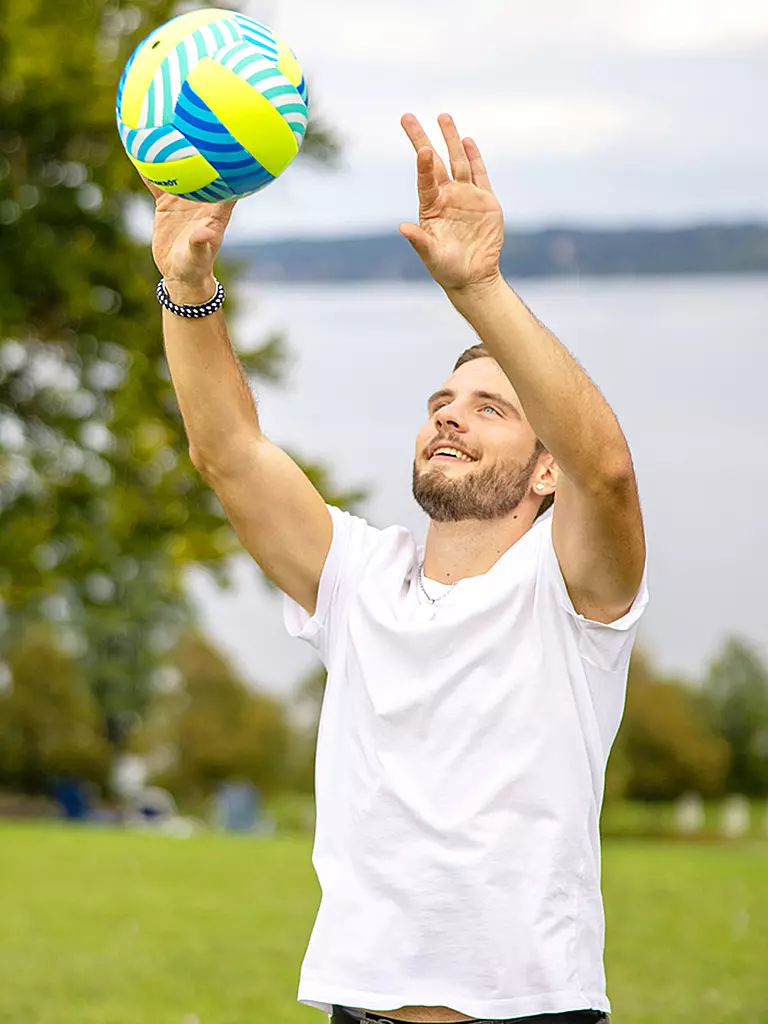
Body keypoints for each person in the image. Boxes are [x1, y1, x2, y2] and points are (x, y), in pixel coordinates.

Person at [144, 112, 648, 1024]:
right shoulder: (357, 579)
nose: (451, 415)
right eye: (440, 401)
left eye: (491, 408)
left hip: (532, 1013)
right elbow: (228, 452)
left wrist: (480, 288)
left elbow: (605, 471)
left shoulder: (570, 597)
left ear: (544, 472)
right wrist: (187, 282)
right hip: (358, 1010)